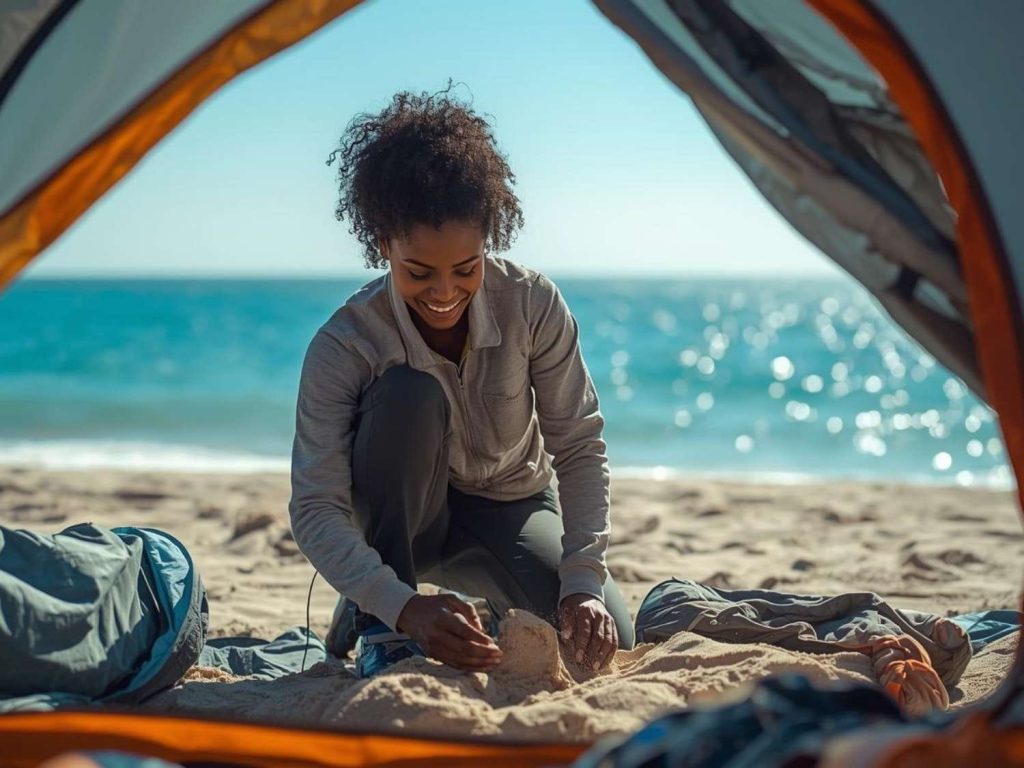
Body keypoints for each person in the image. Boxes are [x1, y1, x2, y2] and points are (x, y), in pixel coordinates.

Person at [289, 85, 635, 678]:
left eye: (466, 268)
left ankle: (412, 599)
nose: (445, 293)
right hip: (402, 525)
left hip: (515, 503)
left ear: (488, 241)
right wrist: (402, 608)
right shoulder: (344, 344)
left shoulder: (533, 303)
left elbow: (578, 447)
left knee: (605, 643)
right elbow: (316, 507)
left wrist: (581, 582)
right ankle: (376, 610)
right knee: (408, 395)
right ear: (383, 245)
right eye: (419, 272)